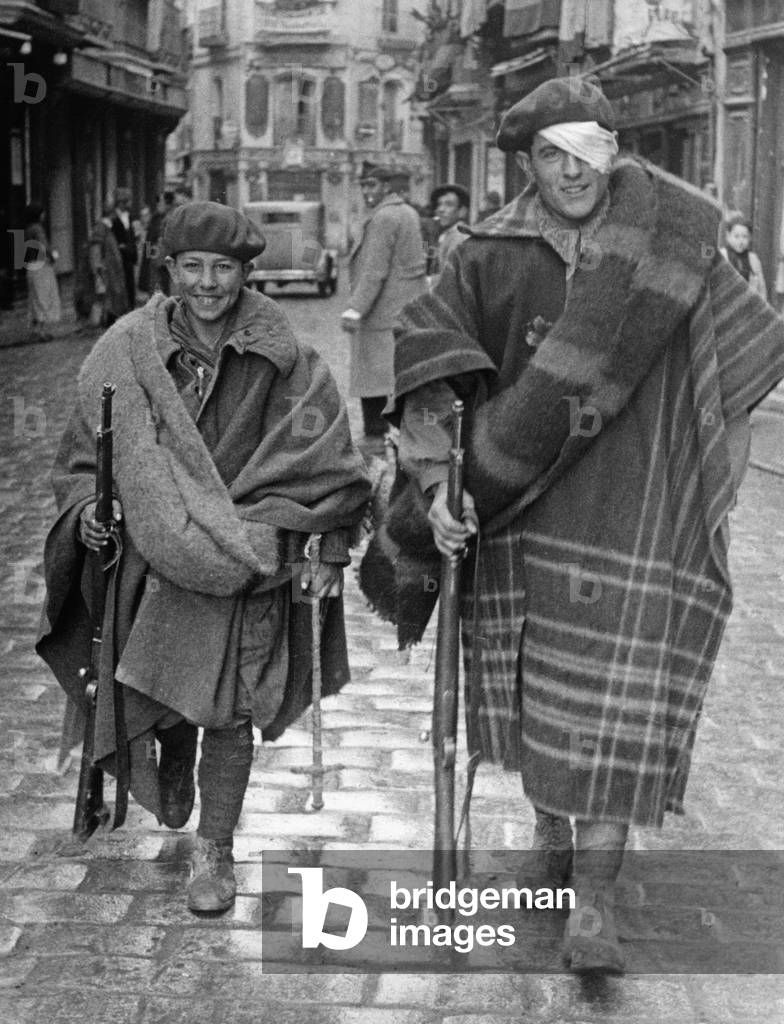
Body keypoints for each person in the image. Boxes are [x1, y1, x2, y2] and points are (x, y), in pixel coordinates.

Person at [362, 77, 784, 973]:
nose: (571, 169)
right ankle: (553, 847)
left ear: (613, 147)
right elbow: (433, 383)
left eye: (586, 148)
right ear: (526, 164)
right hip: (520, 515)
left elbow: (742, 383)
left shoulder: (682, 244)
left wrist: (717, 494)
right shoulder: (485, 254)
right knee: (540, 701)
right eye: (551, 154)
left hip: (641, 511)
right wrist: (439, 490)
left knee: (618, 711)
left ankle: (592, 904)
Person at [37, 201, 371, 914]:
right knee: (165, 691)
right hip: (151, 560)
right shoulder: (126, 351)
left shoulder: (288, 359)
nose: (209, 282)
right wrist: (90, 513)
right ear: (170, 269)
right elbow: (77, 461)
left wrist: (330, 546)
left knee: (230, 707)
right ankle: (172, 759)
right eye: (193, 266)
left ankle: (215, 848)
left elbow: (329, 466)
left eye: (223, 268)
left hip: (250, 552)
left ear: (246, 272)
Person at [342, 161, 427, 453]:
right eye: (363, 185)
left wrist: (356, 308)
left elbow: (374, 269)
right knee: (395, 374)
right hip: (404, 310)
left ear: (387, 187)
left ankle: (376, 438)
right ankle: (401, 436)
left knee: (373, 377)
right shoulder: (406, 212)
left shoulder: (384, 218)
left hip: (382, 312)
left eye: (372, 185)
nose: (366, 191)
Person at [76, 201, 130, 329]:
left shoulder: (106, 228)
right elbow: (95, 248)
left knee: (107, 295)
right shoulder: (102, 228)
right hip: (105, 270)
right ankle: (99, 321)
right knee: (102, 295)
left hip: (108, 269)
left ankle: (105, 319)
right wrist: (98, 267)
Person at [23, 203, 62, 340]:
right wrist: (53, 255)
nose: (44, 216)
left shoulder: (27, 229)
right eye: (43, 213)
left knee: (34, 297)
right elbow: (44, 245)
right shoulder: (38, 229)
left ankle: (34, 330)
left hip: (31, 265)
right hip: (41, 265)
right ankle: (41, 330)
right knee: (44, 296)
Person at [720, 212, 767, 301]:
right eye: (736, 236)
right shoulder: (722, 255)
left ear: (750, 238)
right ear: (728, 236)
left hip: (746, 303)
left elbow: (761, 287)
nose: (741, 241)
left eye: (745, 236)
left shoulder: (752, 258)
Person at [430, 184, 470, 280]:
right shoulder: (447, 233)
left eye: (449, 205)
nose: (441, 209)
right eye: (439, 205)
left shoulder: (459, 237)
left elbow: (450, 280)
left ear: (462, 211)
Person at [111, 186, 138, 309]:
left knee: (130, 283)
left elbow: (132, 236)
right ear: (122, 203)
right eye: (128, 201)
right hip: (118, 256)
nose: (130, 203)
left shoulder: (129, 216)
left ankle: (130, 307)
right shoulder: (112, 218)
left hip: (129, 256)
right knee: (119, 284)